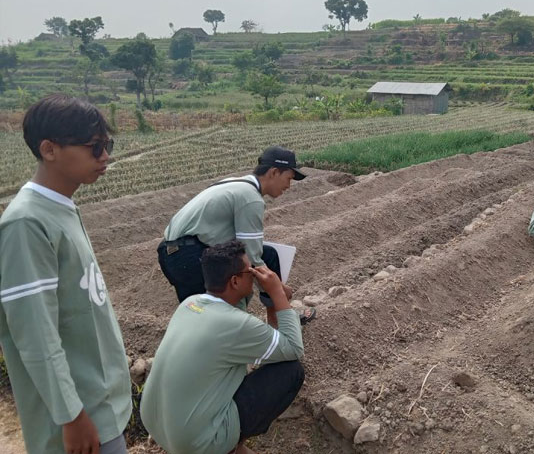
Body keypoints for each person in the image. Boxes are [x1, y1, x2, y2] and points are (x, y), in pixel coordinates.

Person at [0, 95, 131, 454]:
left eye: (108, 145)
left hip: (98, 406)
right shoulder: (27, 223)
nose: (105, 156)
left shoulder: (60, 208)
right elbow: (35, 334)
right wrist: (71, 416)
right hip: (78, 421)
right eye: (94, 147)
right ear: (49, 149)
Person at [141, 240, 305, 454]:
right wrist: (278, 293)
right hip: (194, 443)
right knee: (291, 372)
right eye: (250, 271)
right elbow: (293, 348)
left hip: (157, 425)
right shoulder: (236, 325)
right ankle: (227, 447)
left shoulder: (190, 304)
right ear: (235, 281)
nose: (255, 274)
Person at [157, 145, 315, 324]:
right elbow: (252, 257)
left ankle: (277, 320)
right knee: (219, 305)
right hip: (186, 256)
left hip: (181, 251)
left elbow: (253, 253)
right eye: (289, 178)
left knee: (269, 255)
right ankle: (240, 332)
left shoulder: (238, 184)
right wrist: (278, 290)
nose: (288, 186)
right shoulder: (251, 198)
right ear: (273, 172)